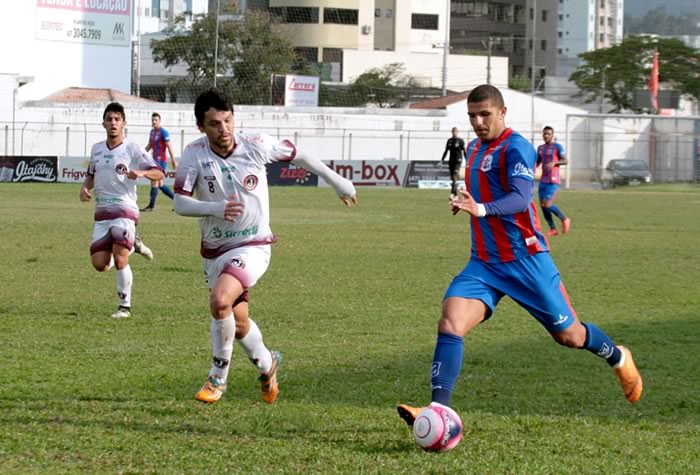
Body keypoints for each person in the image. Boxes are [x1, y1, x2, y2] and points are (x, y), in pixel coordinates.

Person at [397, 85, 642, 427]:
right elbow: (486, 191)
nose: (478, 122)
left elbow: (519, 196)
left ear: (502, 112)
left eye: (485, 115)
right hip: (484, 262)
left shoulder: (517, 148)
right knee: (450, 322)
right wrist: (467, 199)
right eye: (472, 116)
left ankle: (618, 356)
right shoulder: (472, 147)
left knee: (569, 336)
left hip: (526, 261)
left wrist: (480, 209)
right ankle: (439, 410)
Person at [174, 89, 357, 404]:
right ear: (201, 126)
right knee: (238, 320)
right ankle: (267, 364)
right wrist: (215, 208)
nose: (224, 129)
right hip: (215, 250)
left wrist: (336, 179)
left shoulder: (256, 144)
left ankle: (218, 377)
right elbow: (179, 202)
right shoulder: (194, 154)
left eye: (228, 120)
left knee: (220, 302)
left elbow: (300, 155)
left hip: (254, 244)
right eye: (215, 123)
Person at [80, 102, 163, 319]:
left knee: (119, 259)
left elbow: (159, 172)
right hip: (102, 212)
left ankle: (124, 307)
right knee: (100, 264)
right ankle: (133, 244)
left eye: (117, 119)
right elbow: (91, 174)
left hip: (125, 209)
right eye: (109, 119)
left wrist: (142, 173)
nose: (113, 123)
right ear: (103, 123)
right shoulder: (96, 149)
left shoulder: (132, 149)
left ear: (124, 123)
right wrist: (85, 188)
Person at [537, 126, 570, 236]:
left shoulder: (557, 147)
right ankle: (553, 229)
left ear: (552, 135)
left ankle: (564, 219)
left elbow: (566, 161)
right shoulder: (540, 148)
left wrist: (554, 163)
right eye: (544, 133)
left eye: (548, 134)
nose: (546, 135)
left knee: (547, 204)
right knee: (542, 205)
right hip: (543, 180)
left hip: (553, 181)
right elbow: (537, 162)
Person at [141, 112, 177, 211]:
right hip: (154, 160)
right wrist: (141, 154)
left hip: (161, 161)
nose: (154, 122)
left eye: (156, 120)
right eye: (152, 120)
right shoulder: (152, 132)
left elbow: (169, 146)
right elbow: (149, 145)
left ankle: (151, 206)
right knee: (160, 184)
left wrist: (173, 160)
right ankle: (177, 201)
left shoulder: (163, 132)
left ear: (160, 121)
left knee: (154, 181)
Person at [441, 127, 467, 196]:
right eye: (453, 132)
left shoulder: (460, 141)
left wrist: (467, 160)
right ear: (452, 132)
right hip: (451, 161)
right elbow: (446, 151)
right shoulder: (449, 141)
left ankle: (453, 192)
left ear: (457, 132)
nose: (454, 133)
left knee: (454, 175)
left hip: (458, 160)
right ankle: (454, 192)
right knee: (452, 177)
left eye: (456, 132)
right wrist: (442, 160)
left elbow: (464, 151)